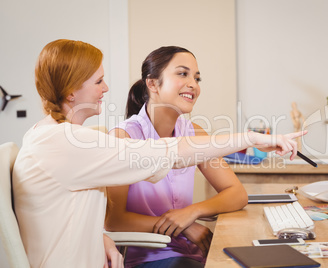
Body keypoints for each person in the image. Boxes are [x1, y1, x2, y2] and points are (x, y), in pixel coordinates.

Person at [12, 39, 304, 268]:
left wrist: (99, 238)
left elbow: (71, 212)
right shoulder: (68, 142)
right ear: (72, 91)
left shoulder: (63, 139)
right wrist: (251, 137)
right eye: (98, 81)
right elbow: (167, 154)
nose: (107, 88)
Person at [104, 46, 247, 267]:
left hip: (189, 253)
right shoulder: (124, 136)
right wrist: (184, 226)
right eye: (182, 74)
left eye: (197, 78)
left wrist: (192, 212)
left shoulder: (194, 132)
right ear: (152, 83)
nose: (193, 84)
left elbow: (237, 193)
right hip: (148, 257)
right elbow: (114, 220)